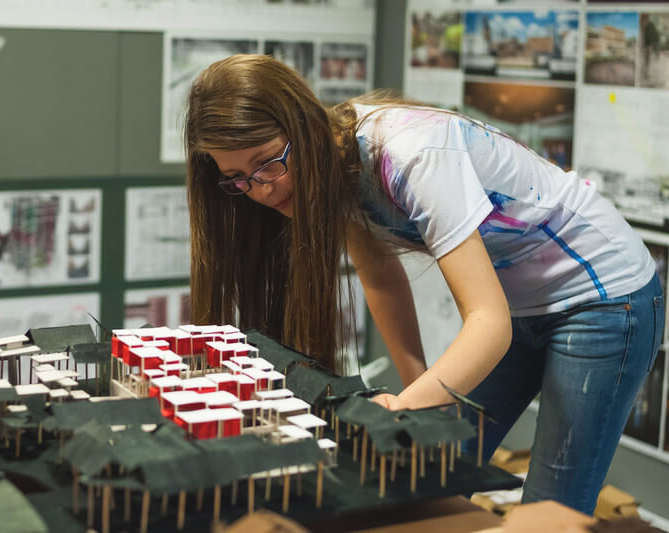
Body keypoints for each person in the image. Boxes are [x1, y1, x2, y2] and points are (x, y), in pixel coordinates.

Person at [183, 54, 663, 515]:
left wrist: (404, 407)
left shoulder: (411, 154)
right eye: (239, 179)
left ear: (303, 126)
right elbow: (381, 277)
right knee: (428, 466)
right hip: (518, 306)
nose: (263, 189)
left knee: (550, 507)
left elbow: (488, 323)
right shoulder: (330, 166)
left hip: (603, 296)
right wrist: (416, 397)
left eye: (268, 162)